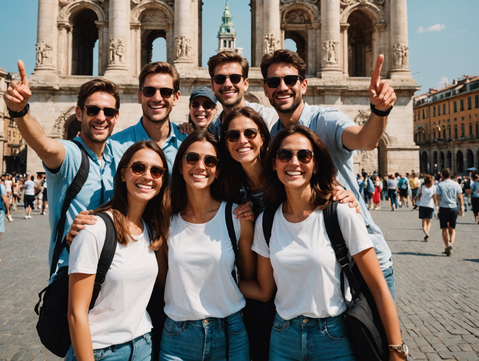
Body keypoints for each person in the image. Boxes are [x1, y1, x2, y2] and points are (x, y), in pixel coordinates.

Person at [240, 125, 406, 361]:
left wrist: (397, 351)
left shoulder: (342, 214)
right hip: (283, 340)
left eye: (304, 155)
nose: (294, 162)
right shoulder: (266, 222)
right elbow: (264, 290)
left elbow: (378, 287)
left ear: (316, 163)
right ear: (274, 163)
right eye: (285, 155)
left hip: (335, 339)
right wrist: (215, 280)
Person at [219, 106, 360, 360]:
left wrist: (343, 195)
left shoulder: (286, 166)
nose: (242, 141)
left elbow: (322, 189)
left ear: (263, 137)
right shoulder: (227, 183)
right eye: (232, 136)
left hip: (304, 291)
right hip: (266, 293)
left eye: (250, 133)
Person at [261, 49, 398, 298]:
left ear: (303, 84)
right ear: (266, 89)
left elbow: (364, 140)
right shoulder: (273, 137)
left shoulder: (325, 120)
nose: (282, 87)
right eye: (274, 82)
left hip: (361, 261)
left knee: (376, 337)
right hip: (317, 265)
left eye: (290, 80)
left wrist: (378, 112)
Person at [4, 61, 121, 277]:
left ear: (116, 117)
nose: (101, 117)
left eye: (109, 112)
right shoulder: (70, 155)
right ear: (79, 113)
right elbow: (45, 145)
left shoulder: (118, 155)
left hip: (114, 275)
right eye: (93, 110)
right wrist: (20, 112)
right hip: (71, 274)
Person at [67, 141, 170, 361]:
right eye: (138, 168)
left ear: (162, 180)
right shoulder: (94, 228)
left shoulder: (152, 230)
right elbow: (76, 314)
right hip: (100, 350)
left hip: (143, 346)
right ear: (123, 174)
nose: (147, 176)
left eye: (156, 171)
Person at [157, 130, 254, 361]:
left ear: (218, 170)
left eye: (210, 161)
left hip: (230, 332)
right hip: (177, 337)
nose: (201, 166)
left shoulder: (237, 217)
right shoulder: (165, 221)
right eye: (192, 158)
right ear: (180, 165)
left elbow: (247, 277)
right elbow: (162, 281)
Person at [108, 62, 188, 174]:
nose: (157, 98)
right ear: (140, 97)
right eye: (149, 91)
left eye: (166, 92)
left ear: (176, 98)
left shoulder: (187, 144)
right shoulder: (114, 147)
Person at [207, 50, 278, 138]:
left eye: (235, 78)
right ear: (212, 85)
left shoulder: (269, 119)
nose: (227, 84)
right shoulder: (211, 129)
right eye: (220, 78)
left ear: (245, 84)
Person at [436, 168, 464, 256]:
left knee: (444, 229)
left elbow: (438, 198)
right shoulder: (456, 184)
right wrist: (462, 207)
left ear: (442, 175)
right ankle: (451, 243)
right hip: (453, 208)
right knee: (452, 228)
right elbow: (460, 196)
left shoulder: (440, 185)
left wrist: (437, 208)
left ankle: (446, 245)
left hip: (443, 208)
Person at [415, 174, 436, 241]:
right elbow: (434, 197)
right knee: (428, 222)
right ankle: (427, 232)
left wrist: (417, 201)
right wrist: (436, 205)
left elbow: (419, 196)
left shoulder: (422, 187)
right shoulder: (433, 187)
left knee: (423, 223)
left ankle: (426, 233)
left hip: (422, 205)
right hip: (430, 206)